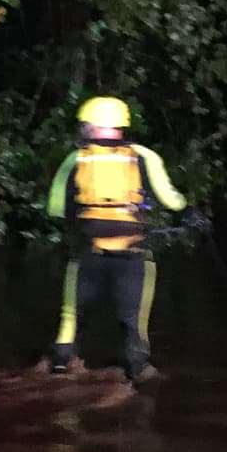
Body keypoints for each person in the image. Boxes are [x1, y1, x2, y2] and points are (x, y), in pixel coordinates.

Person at [45, 96, 207, 385]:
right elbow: (170, 199)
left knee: (70, 318)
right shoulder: (143, 157)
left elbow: (56, 209)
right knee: (134, 326)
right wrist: (189, 212)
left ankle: (59, 367)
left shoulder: (75, 159)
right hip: (133, 257)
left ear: (92, 126)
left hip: (88, 256)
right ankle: (136, 377)